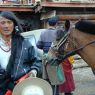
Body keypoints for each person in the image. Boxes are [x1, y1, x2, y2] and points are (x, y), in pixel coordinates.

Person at [0, 10, 42, 95]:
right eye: (2, 23)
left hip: (22, 87)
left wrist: (34, 70)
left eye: (9, 22)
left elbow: (36, 60)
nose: (6, 26)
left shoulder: (24, 43)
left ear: (14, 24)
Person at [36, 16, 59, 95]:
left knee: (48, 78)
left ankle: (49, 92)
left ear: (48, 24)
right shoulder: (58, 33)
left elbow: (38, 45)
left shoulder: (43, 33)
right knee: (56, 79)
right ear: (56, 24)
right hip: (55, 58)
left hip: (45, 58)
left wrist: (45, 47)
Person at [55, 21, 75, 95]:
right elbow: (67, 51)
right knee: (67, 77)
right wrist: (71, 62)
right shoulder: (64, 38)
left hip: (61, 59)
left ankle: (63, 92)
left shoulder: (58, 38)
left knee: (61, 76)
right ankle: (67, 92)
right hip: (64, 59)